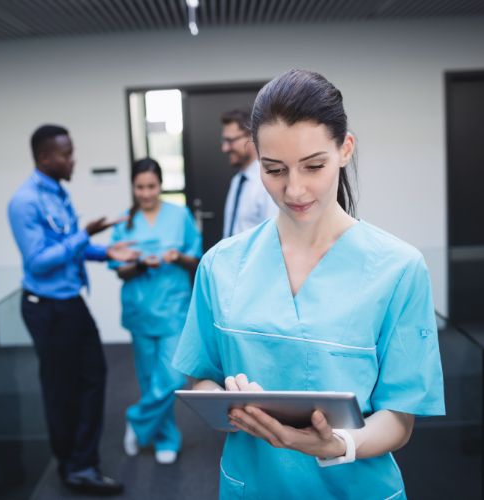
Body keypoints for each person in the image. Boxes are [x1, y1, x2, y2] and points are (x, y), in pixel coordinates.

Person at [173, 70, 445, 499]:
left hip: (357, 487)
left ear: (345, 150)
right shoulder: (220, 266)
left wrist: (340, 444)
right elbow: (200, 380)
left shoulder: (399, 269)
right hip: (253, 485)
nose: (294, 189)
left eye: (313, 166)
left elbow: (399, 417)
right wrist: (231, 402)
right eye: (274, 169)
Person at [8, 124, 137, 496]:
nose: (72, 159)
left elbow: (68, 247)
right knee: (62, 389)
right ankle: (73, 466)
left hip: (69, 303)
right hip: (46, 308)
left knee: (93, 377)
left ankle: (81, 461)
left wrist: (106, 251)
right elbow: (39, 262)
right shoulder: (25, 201)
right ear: (45, 157)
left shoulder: (57, 193)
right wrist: (87, 233)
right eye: (66, 153)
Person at [109, 158, 202, 465]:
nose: (146, 193)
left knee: (173, 377)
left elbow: (196, 259)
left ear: (160, 185)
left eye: (151, 186)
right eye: (140, 187)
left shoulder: (180, 216)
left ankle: (136, 419)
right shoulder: (124, 222)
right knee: (150, 380)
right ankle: (165, 438)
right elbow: (119, 270)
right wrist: (138, 264)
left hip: (173, 310)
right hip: (140, 310)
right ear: (133, 187)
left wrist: (177, 257)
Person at [220, 108, 278, 237]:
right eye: (224, 141)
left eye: (230, 141)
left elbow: (272, 236)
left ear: (251, 137)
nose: (225, 148)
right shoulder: (237, 180)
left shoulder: (268, 181)